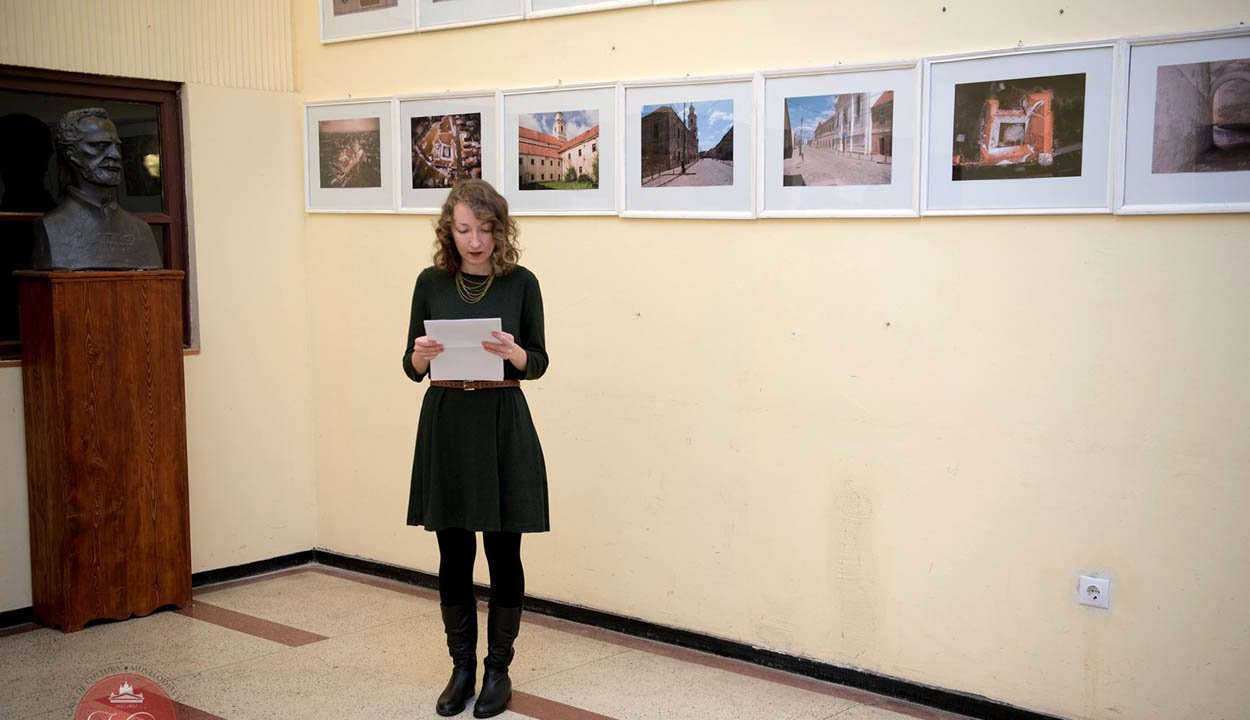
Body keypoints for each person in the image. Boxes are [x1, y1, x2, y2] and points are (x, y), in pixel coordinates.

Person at [402, 179, 549, 718]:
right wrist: (421, 355)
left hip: (501, 420)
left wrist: (514, 353)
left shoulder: (522, 283)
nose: (475, 241)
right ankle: (461, 667)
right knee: (453, 552)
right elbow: (410, 366)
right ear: (449, 229)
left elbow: (538, 362)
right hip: (447, 421)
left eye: (485, 229)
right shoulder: (430, 282)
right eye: (464, 229)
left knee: (504, 553)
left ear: (500, 230)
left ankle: (497, 671)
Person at [32, 107, 162, 270]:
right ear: (72, 154)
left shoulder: (141, 230)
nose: (115, 155)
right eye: (100, 145)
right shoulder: (52, 227)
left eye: (116, 146)